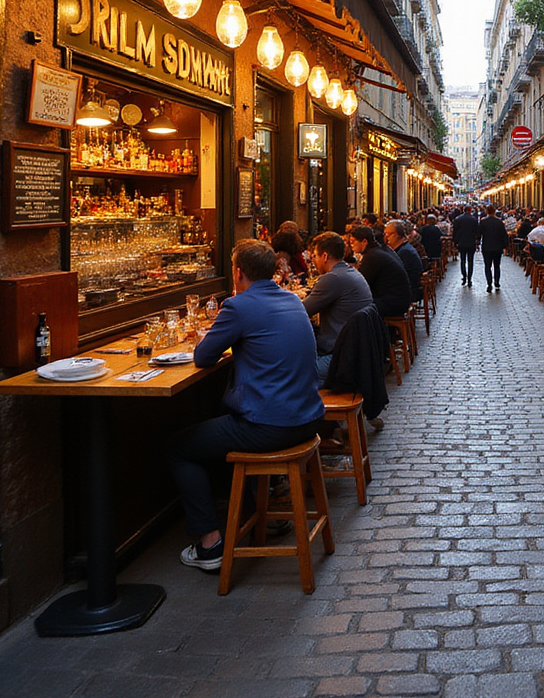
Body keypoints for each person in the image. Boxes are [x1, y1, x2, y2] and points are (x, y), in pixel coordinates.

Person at [169, 239, 325, 572]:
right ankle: (262, 514)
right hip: (309, 417)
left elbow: (203, 356)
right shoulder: (294, 301)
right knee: (227, 421)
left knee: (180, 447)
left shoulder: (239, 306)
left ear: (238, 273)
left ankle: (209, 545)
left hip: (271, 427)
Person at [303, 231, 374, 381]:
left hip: (338, 359)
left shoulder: (332, 278)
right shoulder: (350, 272)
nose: (313, 261)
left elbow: (301, 312)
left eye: (314, 256)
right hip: (356, 354)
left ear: (325, 256)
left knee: (289, 369)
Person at [350, 226, 411, 317]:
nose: (351, 245)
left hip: (393, 303)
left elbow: (362, 284)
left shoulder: (372, 256)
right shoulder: (382, 250)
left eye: (353, 242)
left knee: (349, 306)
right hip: (400, 299)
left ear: (364, 241)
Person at [384, 219, 424, 302]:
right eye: (385, 234)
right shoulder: (403, 248)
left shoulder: (404, 252)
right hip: (405, 289)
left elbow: (395, 276)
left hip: (407, 293)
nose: (386, 238)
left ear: (397, 235)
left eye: (388, 234)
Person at [477, 204, 511, 292]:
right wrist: (505, 246)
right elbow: (504, 235)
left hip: (486, 247)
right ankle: (497, 282)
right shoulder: (499, 222)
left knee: (487, 266)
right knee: (497, 265)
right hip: (497, 247)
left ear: (486, 211)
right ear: (494, 211)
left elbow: (479, 234)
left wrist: (477, 242)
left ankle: (489, 283)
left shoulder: (483, 221)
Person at [453, 205, 479, 287]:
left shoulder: (458, 219)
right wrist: (477, 242)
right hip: (471, 243)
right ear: (470, 210)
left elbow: (455, 231)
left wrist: (455, 242)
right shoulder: (474, 220)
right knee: (470, 261)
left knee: (463, 260)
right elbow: (477, 232)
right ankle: (469, 279)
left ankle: (464, 277)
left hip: (461, 242)